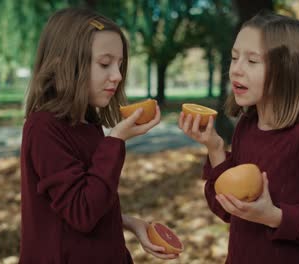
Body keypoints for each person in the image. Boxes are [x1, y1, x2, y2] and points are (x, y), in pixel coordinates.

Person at [179, 11, 299, 264]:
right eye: (234, 57)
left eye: (252, 61)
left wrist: (274, 216)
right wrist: (215, 148)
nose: (236, 70)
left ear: (287, 70)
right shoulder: (246, 126)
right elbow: (226, 209)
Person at [19, 8, 177, 263]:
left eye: (120, 65)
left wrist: (130, 223)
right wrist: (115, 141)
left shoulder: (89, 124)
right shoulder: (44, 128)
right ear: (63, 64)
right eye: (105, 64)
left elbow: (88, 199)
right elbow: (82, 212)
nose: (117, 76)